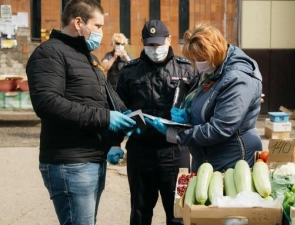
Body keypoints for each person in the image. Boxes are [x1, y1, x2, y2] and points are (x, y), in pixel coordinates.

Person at [26, 0, 137, 224]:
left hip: (92, 159)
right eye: (98, 26)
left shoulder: (89, 58)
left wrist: (133, 116)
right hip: (71, 162)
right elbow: (47, 103)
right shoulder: (49, 53)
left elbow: (108, 98)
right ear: (78, 22)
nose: (101, 33)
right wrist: (106, 118)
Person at [108, 20, 196, 225]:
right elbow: (119, 108)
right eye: (150, 45)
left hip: (175, 151)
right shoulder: (130, 71)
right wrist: (113, 143)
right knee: (140, 212)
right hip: (141, 151)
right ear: (142, 43)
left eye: (159, 44)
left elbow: (199, 108)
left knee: (178, 213)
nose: (155, 49)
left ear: (169, 40)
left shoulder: (187, 70)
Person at [145, 23, 263, 172]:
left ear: (216, 51)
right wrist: (187, 113)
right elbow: (203, 100)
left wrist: (177, 133)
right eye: (193, 59)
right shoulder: (213, 69)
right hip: (206, 157)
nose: (197, 63)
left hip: (233, 161)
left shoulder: (237, 78)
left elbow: (220, 128)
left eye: (200, 58)